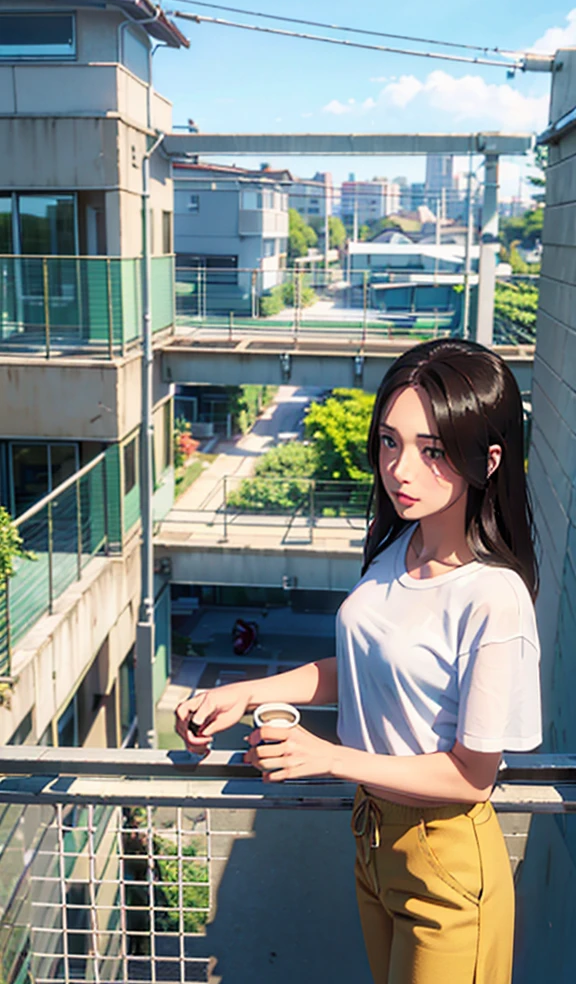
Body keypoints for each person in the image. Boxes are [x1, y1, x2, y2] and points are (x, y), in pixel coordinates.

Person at [174, 338, 542, 984]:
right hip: (372, 840)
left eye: (432, 450)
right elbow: (361, 666)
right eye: (391, 442)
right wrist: (246, 694)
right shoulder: (395, 547)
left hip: (447, 859)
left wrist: (327, 757)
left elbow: (472, 776)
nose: (400, 468)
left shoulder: (494, 596)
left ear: (488, 460)